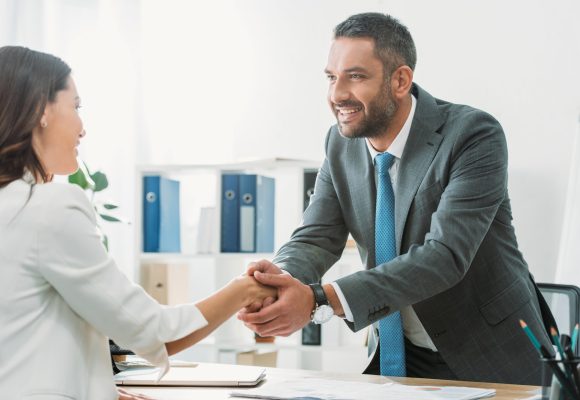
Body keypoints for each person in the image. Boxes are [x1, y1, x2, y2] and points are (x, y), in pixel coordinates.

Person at [238, 12, 555, 385]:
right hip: (399, 355)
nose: (337, 94)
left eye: (355, 76)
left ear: (400, 80)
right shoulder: (340, 143)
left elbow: (445, 256)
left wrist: (319, 299)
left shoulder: (473, 135)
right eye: (331, 77)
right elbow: (316, 236)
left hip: (489, 354)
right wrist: (283, 281)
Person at [0, 46, 276, 400]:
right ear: (41, 110)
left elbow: (24, 335)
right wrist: (244, 289)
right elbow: (154, 332)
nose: (83, 128)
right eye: (76, 106)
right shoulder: (50, 206)